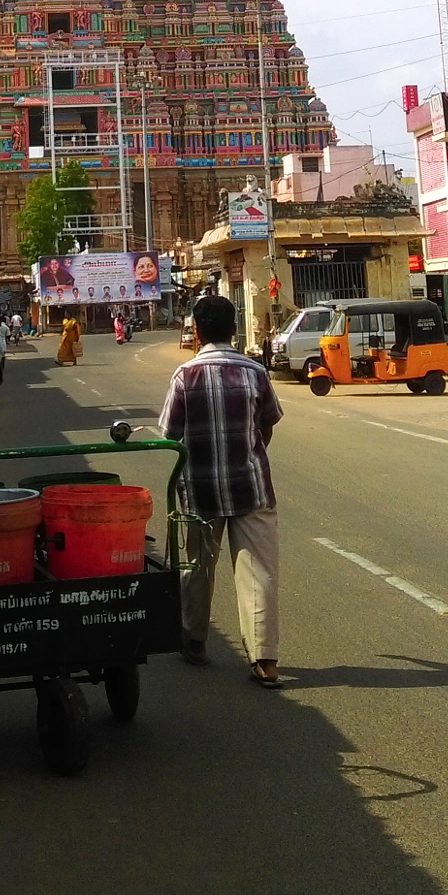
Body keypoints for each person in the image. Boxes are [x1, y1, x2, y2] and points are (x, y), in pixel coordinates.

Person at [158, 292, 283, 687]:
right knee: (259, 573)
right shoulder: (254, 372)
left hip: (200, 491)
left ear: (196, 332)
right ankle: (264, 660)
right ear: (233, 329)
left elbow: (170, 436)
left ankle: (195, 642)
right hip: (252, 487)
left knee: (198, 567)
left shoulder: (185, 376)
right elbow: (267, 425)